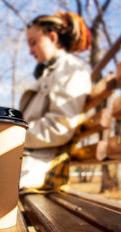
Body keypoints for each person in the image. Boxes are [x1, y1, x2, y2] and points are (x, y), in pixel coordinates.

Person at [19, 11, 92, 191]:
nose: (30, 51)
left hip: (38, 166)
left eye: (33, 42)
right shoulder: (51, 72)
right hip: (24, 157)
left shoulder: (71, 69)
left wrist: (11, 136)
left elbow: (60, 126)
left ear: (52, 37)